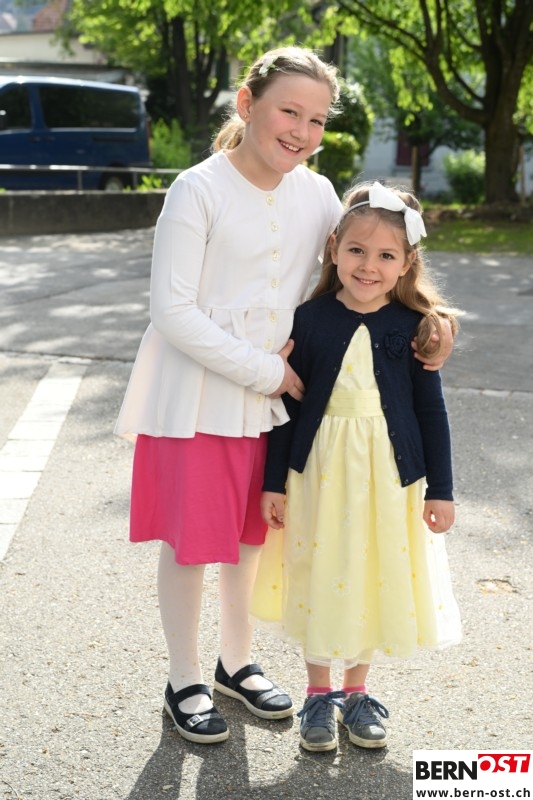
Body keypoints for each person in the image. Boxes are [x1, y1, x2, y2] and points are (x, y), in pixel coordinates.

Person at [115, 46, 454, 747]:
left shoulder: (318, 193)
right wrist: (264, 372)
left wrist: (432, 322)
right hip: (197, 395)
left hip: (279, 407)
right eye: (288, 112)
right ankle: (184, 678)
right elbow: (172, 311)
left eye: (317, 119)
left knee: (253, 539)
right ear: (248, 105)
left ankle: (235, 663)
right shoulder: (197, 189)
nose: (301, 131)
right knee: (192, 543)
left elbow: (359, 271)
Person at [258, 181, 462, 753]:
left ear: (406, 263)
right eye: (357, 250)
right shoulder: (308, 319)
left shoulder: (415, 327)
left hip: (389, 477)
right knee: (320, 570)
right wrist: (274, 483)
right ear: (334, 248)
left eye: (386, 255)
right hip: (319, 474)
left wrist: (441, 490)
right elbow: (288, 409)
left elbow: (431, 412)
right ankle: (318, 695)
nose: (369, 266)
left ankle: (357, 692)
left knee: (374, 572)